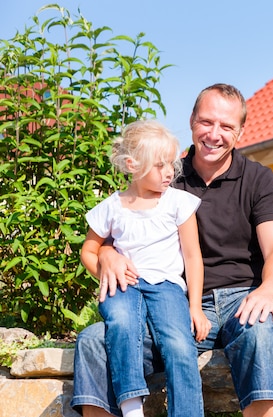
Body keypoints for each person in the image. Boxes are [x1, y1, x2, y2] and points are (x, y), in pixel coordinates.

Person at [71, 83, 273, 417]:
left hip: (243, 296)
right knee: (93, 341)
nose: (215, 134)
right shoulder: (162, 173)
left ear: (241, 132)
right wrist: (106, 254)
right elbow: (109, 238)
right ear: (191, 120)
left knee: (262, 331)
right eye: (207, 121)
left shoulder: (259, 180)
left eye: (227, 126)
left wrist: (269, 290)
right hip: (173, 301)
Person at [80, 120, 209, 417]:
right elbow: (88, 251)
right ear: (132, 165)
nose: (169, 172)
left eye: (172, 164)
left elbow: (192, 257)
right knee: (122, 325)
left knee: (179, 343)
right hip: (125, 285)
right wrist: (105, 271)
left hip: (167, 287)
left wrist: (196, 307)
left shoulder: (178, 202)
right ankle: (131, 406)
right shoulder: (112, 206)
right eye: (159, 165)